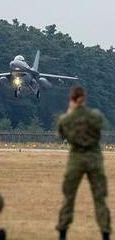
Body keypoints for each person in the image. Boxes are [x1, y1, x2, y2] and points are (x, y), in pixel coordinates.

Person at [56, 86, 111, 240]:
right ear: (84, 98)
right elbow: (99, 130)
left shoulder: (66, 119)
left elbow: (61, 134)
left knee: (69, 197)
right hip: (94, 157)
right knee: (100, 198)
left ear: (72, 100)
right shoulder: (96, 116)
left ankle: (62, 233)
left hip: (76, 158)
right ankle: (105, 233)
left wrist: (70, 112)